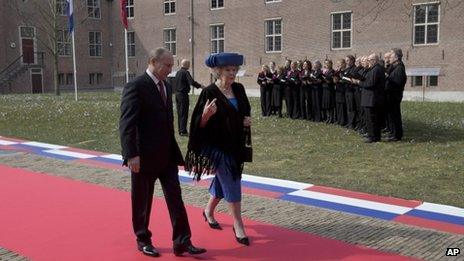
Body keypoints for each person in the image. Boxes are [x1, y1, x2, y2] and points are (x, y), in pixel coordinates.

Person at [119, 48, 206, 257]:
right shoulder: (136, 86)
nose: (170, 69)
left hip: (166, 156)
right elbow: (126, 124)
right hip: (143, 157)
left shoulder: (167, 85)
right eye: (166, 65)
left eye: (171, 65)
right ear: (153, 62)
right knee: (142, 200)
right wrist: (131, 154)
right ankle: (143, 239)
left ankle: (182, 241)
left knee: (176, 198)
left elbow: (168, 124)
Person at [185, 52, 252, 246]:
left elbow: (244, 111)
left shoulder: (238, 89)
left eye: (234, 70)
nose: (232, 73)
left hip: (234, 144)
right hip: (215, 145)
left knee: (224, 180)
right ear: (218, 71)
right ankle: (238, 224)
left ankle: (208, 211)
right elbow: (197, 124)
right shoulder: (209, 92)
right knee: (232, 178)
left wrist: (246, 120)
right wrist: (205, 115)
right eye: (228, 70)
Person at [350, 53, 386, 143]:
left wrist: (359, 82)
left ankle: (373, 137)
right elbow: (368, 81)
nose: (368, 62)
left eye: (369, 60)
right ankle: (374, 136)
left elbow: (370, 84)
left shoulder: (376, 69)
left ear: (374, 60)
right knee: (372, 118)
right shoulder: (373, 69)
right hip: (370, 98)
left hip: (372, 98)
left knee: (372, 119)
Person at [173, 59, 203, 136]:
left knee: (179, 113)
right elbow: (191, 82)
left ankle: (180, 130)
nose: (189, 66)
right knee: (184, 113)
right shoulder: (185, 72)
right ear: (186, 65)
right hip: (183, 95)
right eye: (189, 64)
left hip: (177, 95)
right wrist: (200, 86)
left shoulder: (178, 73)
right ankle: (183, 131)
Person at [385, 48, 407, 141]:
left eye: (392, 55)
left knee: (395, 115)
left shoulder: (400, 68)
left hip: (395, 95)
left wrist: (388, 77)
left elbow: (398, 82)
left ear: (397, 57)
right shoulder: (394, 67)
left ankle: (397, 135)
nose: (390, 57)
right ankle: (393, 132)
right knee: (391, 115)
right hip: (391, 95)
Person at [321, 59, 336, 124]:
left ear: (331, 64)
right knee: (326, 104)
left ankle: (331, 118)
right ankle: (327, 117)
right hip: (324, 89)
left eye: (328, 63)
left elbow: (331, 79)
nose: (326, 65)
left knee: (330, 104)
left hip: (330, 89)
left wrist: (327, 79)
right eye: (325, 63)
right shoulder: (324, 71)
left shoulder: (332, 71)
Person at [335, 59, 347, 126]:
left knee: (343, 106)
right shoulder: (337, 72)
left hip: (343, 90)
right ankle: (339, 120)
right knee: (338, 106)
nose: (338, 65)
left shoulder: (345, 71)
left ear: (343, 64)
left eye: (340, 64)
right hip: (338, 90)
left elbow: (346, 80)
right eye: (338, 64)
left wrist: (341, 79)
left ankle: (343, 121)